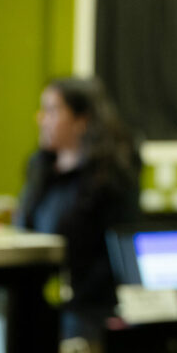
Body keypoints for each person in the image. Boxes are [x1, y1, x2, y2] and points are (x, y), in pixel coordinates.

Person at [15, 77, 141, 338]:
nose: (41, 119)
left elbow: (114, 258)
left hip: (85, 314)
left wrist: (70, 302)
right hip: (34, 304)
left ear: (82, 120)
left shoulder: (112, 178)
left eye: (52, 110)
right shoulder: (40, 168)